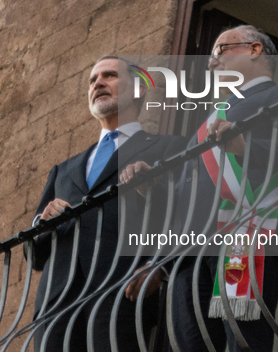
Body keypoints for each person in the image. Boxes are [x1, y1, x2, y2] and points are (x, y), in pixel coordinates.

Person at [120, 25, 278, 351]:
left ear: (255, 50)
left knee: (245, 345)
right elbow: (187, 201)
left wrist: (243, 147)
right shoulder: (207, 122)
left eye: (219, 52)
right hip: (190, 259)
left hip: (247, 242)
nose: (211, 63)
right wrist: (150, 189)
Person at [30, 56, 187, 352]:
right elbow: (35, 256)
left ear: (138, 91)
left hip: (123, 294)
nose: (97, 83)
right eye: (92, 80)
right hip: (57, 305)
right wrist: (43, 224)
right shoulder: (63, 170)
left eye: (110, 76)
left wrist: (160, 266)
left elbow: (187, 213)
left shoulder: (169, 149)